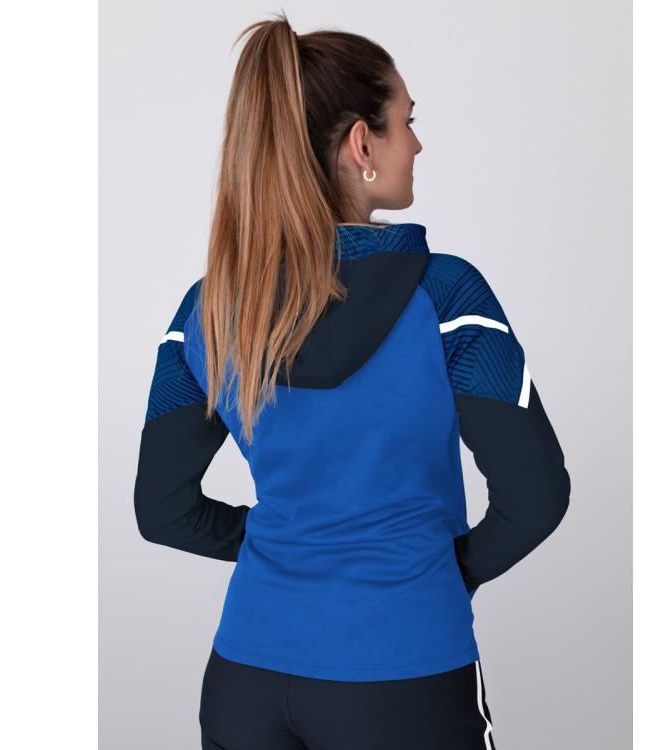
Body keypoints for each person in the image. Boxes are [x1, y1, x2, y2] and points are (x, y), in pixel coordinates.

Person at [133, 13, 571, 750]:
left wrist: (286, 543)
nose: (417, 144)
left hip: (246, 678)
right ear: (362, 144)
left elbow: (161, 510)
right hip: (404, 671)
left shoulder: (208, 311)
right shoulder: (446, 298)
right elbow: (537, 495)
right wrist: (442, 570)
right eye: (407, 122)